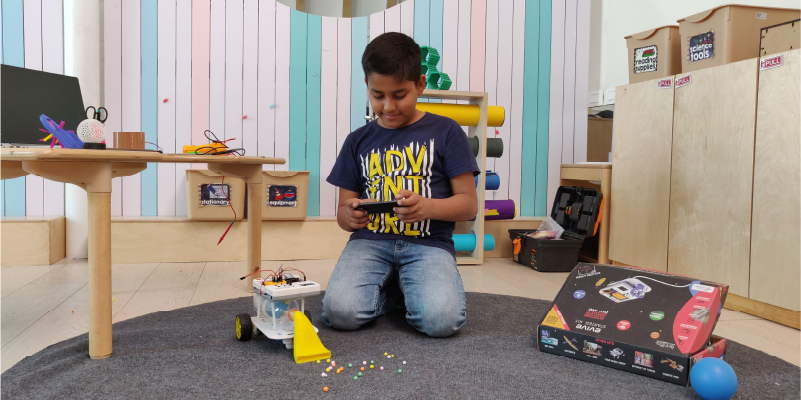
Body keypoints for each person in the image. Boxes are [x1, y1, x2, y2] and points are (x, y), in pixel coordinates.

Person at [322, 32, 479, 338]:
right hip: (369, 242)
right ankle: (396, 290)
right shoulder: (357, 140)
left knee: (441, 321)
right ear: (367, 85)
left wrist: (427, 207)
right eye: (378, 95)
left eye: (400, 94)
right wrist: (348, 217)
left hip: (429, 245)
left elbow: (469, 206)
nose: (388, 106)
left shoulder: (447, 131)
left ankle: (403, 287)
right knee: (340, 314)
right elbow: (344, 210)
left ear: (420, 84)